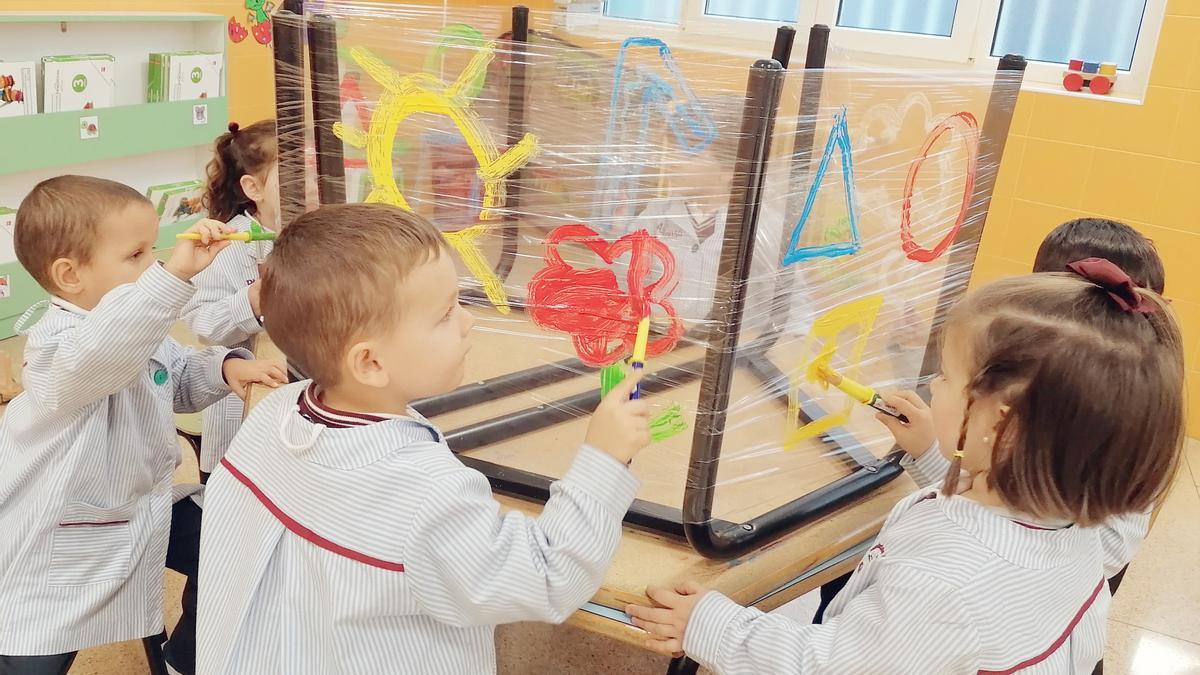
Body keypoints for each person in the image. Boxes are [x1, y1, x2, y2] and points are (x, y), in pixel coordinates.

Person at [628, 260, 1184, 674]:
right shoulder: (1072, 522)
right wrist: (932, 453)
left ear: (999, 422)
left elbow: (834, 667)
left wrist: (712, 626)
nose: (931, 385)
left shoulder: (939, 587)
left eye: (945, 376)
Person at [197, 203, 652, 674]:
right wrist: (604, 459)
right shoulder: (425, 494)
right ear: (370, 363)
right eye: (445, 314)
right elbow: (549, 577)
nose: (468, 320)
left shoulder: (273, 411)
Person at [0, 175, 284, 675]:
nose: (152, 264)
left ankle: (186, 657)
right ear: (70, 276)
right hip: (63, 546)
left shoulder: (137, 330)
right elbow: (106, 353)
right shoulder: (56, 347)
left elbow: (169, 376)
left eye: (153, 250)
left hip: (139, 512)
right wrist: (173, 276)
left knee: (230, 549)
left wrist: (223, 368)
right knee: (36, 651)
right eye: (136, 256)